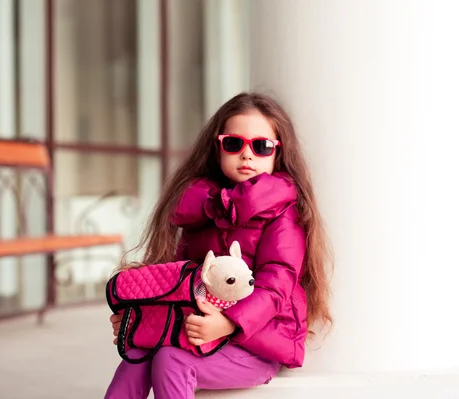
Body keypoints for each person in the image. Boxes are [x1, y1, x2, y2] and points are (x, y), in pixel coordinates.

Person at [104, 92, 332, 399]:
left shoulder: (283, 214)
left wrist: (228, 324)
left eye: (262, 146)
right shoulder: (202, 209)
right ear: (217, 148)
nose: (247, 155)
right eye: (234, 143)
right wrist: (141, 315)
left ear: (278, 153)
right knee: (138, 355)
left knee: (171, 359)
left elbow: (276, 285)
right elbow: (179, 280)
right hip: (201, 332)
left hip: (256, 343)